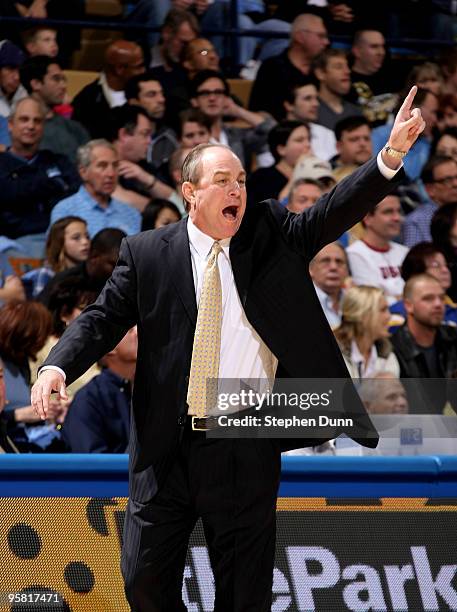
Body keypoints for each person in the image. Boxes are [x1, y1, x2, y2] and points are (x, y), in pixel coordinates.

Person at [31, 87, 425, 610]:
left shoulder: (271, 233)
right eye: (222, 181)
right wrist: (56, 366)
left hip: (245, 441)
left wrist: (390, 156)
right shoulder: (147, 252)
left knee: (244, 595)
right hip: (165, 446)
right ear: (191, 192)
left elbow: (333, 210)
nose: (236, 188)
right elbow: (102, 319)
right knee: (143, 582)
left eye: (240, 179)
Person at [0, 96, 80, 257]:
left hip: (59, 240)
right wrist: (54, 184)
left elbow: (74, 194)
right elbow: (7, 195)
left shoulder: (58, 161)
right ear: (10, 125)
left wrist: (19, 188)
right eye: (24, 120)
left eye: (37, 121)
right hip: (13, 242)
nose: (31, 126)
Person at [62, 326, 137, 453]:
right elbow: (90, 463)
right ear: (110, 348)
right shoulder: (88, 399)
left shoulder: (152, 390)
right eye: (129, 330)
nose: (137, 332)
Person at [391, 273, 457, 413]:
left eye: (441, 298)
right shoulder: (392, 350)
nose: (438, 304)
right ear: (408, 305)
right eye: (428, 299)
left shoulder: (453, 338)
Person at [50, 139, 142, 238]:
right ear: (83, 172)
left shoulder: (132, 214)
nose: (111, 173)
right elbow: (55, 251)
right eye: (102, 166)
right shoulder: (65, 211)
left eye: (115, 166)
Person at [19, 55, 89, 163]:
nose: (63, 85)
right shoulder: (14, 129)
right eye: (56, 79)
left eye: (63, 79)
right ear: (36, 84)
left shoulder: (75, 129)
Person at [72, 40, 145, 139]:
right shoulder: (87, 101)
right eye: (138, 67)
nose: (143, 71)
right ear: (120, 69)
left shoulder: (146, 92)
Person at [346, 194, 409, 304]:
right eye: (388, 212)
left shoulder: (405, 252)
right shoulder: (353, 254)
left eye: (399, 211)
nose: (397, 217)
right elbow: (373, 300)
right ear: (367, 218)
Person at [334, 285, 400, 379]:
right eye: (382, 310)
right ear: (361, 315)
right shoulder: (331, 353)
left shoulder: (387, 355)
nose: (389, 316)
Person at [390, 242, 457, 328]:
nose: (445, 270)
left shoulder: (453, 308)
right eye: (436, 265)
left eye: (446, 265)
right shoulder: (396, 315)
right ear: (416, 272)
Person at [21, 216, 90, 299]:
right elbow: (41, 309)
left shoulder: (90, 273)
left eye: (87, 237)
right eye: (76, 238)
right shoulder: (46, 274)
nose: (85, 242)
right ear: (60, 243)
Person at [402, 154, 457, 247]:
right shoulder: (416, 221)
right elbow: (416, 260)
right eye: (448, 180)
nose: (455, 184)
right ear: (430, 189)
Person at [309, 241, 349, 329]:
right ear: (310, 269)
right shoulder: (303, 303)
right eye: (325, 261)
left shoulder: (355, 301)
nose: (333, 267)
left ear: (347, 271)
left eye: (339, 261)